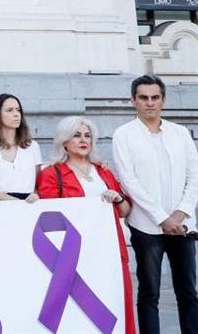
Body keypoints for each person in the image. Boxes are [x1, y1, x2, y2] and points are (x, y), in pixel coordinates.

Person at [112, 75, 198, 334]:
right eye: (143, 98)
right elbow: (129, 182)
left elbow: (193, 175)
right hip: (146, 227)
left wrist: (181, 213)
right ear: (133, 101)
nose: (150, 103)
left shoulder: (180, 133)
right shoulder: (123, 135)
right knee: (149, 293)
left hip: (182, 225)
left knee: (188, 291)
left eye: (155, 97)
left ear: (163, 100)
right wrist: (163, 218)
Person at [37, 116, 133, 334]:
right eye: (76, 135)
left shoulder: (104, 172)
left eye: (87, 136)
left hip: (110, 249)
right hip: (74, 254)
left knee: (116, 299)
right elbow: (49, 217)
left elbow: (125, 210)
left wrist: (118, 199)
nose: (83, 140)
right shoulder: (52, 173)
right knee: (79, 311)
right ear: (64, 142)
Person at [0, 93, 42, 202]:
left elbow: (39, 183)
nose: (16, 114)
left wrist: (36, 194)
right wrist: (14, 202)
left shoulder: (32, 146)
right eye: (9, 110)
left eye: (18, 110)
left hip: (28, 207)